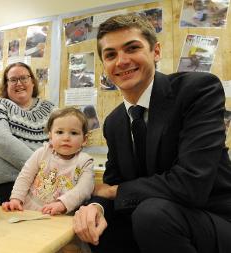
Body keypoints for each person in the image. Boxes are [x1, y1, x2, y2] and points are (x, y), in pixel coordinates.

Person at [73, 13, 231, 253]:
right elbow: (112, 182)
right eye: (111, 55)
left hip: (212, 219)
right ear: (104, 65)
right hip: (157, 219)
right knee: (99, 225)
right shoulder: (114, 122)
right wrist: (96, 207)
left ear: (155, 52)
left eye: (132, 48)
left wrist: (116, 192)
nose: (122, 61)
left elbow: (191, 184)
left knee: (151, 214)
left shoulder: (197, 90)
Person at [0, 62, 55, 204]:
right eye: (13, 79)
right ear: (6, 85)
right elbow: (0, 140)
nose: (19, 83)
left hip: (39, 188)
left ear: (33, 82)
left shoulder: (51, 110)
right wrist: (42, 171)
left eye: (24, 78)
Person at [2, 107, 94, 215]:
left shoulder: (85, 161)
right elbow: (25, 176)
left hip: (60, 217)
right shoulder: (42, 153)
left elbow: (84, 189)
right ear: (50, 135)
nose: (66, 138)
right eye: (59, 132)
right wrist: (16, 199)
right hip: (28, 210)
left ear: (84, 139)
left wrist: (62, 204)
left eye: (73, 133)